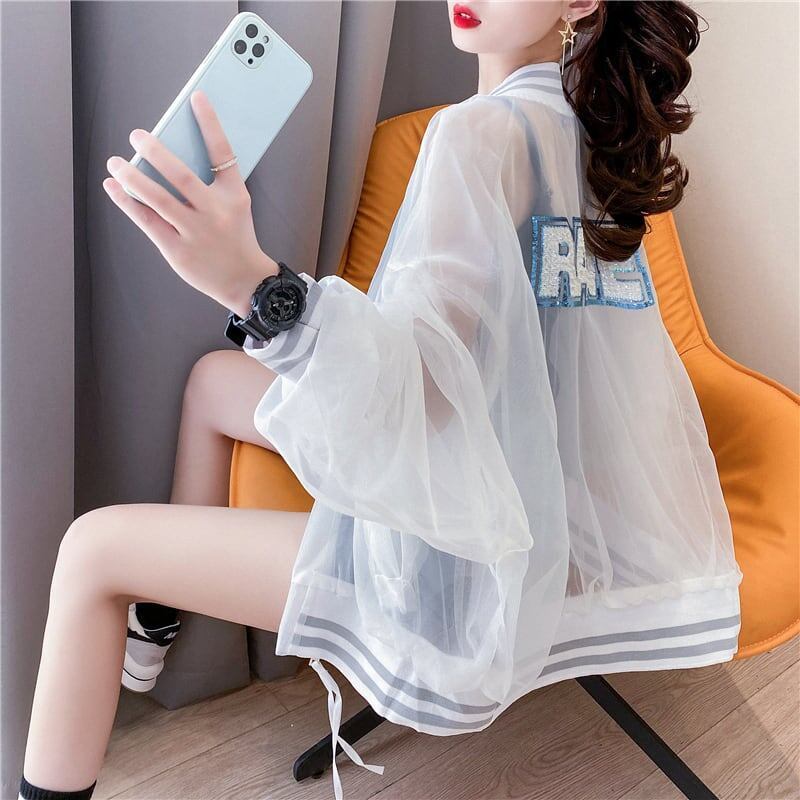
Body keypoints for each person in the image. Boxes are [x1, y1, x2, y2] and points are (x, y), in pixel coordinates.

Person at [17, 2, 744, 800]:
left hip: (454, 566)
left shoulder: (477, 135)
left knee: (90, 552)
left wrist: (257, 287)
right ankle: (160, 614)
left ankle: (127, 637)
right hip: (547, 508)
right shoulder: (592, 132)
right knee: (214, 382)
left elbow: (419, 398)